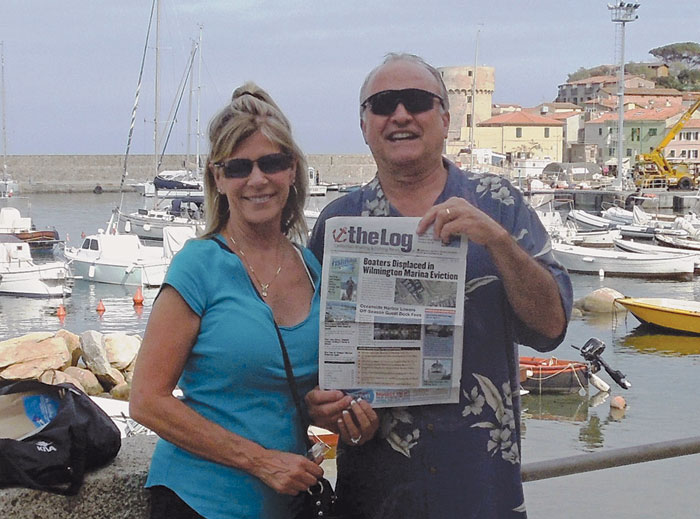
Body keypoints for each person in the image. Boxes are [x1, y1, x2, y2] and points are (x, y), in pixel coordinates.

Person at [305, 53, 573, 519]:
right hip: (375, 493)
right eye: (384, 104)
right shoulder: (336, 223)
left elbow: (551, 327)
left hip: (479, 486)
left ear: (445, 118)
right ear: (365, 125)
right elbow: (312, 351)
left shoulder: (500, 204)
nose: (401, 115)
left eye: (417, 102)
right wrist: (324, 407)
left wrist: (497, 241)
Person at [130, 82, 325, 519]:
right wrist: (261, 461)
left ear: (292, 170)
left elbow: (302, 391)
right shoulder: (198, 265)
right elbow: (145, 399)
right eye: (238, 167)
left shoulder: (312, 268)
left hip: (285, 506)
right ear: (218, 179)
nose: (257, 179)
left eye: (271, 163)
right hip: (197, 501)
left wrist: (339, 412)